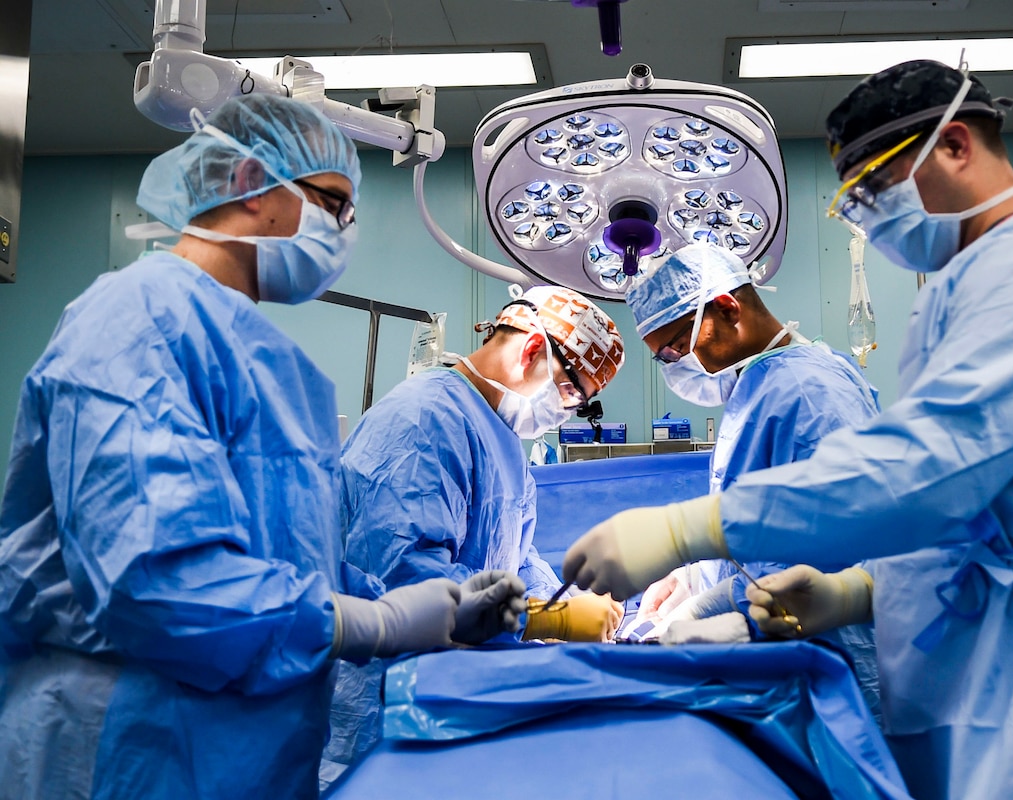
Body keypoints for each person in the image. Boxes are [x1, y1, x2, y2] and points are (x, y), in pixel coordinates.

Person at [563, 60, 1013, 798]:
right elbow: (970, 510)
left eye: (872, 191)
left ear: (955, 145)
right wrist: (862, 591)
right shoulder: (971, 286)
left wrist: (684, 531)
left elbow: (926, 470)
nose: (864, 218)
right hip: (1009, 655)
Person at [0, 93, 524, 800]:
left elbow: (291, 561)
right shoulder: (136, 321)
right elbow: (157, 582)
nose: (344, 231)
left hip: (245, 756)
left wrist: (432, 606)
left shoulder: (272, 367)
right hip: (125, 748)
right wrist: (377, 622)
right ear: (249, 183)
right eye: (334, 204)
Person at [321, 285, 626, 788]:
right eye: (572, 394)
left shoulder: (502, 435)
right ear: (532, 351)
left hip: (455, 692)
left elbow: (515, 553)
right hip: (386, 708)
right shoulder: (421, 422)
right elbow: (403, 581)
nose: (566, 410)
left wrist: (565, 598)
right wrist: (544, 619)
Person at [622, 242, 881, 708]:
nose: (676, 366)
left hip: (831, 670)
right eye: (664, 356)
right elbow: (760, 523)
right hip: (781, 657)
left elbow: (832, 561)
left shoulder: (808, 393)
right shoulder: (759, 387)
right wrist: (695, 577)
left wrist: (717, 605)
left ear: (726, 308)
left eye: (677, 347)